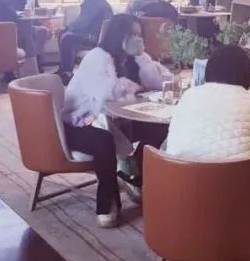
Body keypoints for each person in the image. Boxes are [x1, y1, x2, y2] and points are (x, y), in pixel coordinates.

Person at [61, 14, 172, 228]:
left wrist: (142, 58)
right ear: (120, 36)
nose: (139, 40)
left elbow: (160, 82)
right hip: (81, 122)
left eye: (140, 35)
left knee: (158, 127)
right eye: (134, 35)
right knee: (103, 140)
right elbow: (107, 95)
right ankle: (107, 201)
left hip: (115, 120)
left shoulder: (128, 58)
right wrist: (133, 88)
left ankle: (135, 176)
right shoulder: (97, 58)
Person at [166, 45, 250, 161]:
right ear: (247, 73)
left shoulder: (189, 95)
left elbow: (173, 139)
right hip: (238, 171)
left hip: (178, 170)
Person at [57, 0, 114, 80]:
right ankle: (64, 68)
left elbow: (83, 22)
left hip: (95, 37)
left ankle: (67, 72)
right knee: (65, 33)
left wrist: (67, 27)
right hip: (96, 33)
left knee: (66, 37)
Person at [6, 0, 51, 70]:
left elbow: (35, 9)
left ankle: (37, 60)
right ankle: (29, 66)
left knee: (42, 31)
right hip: (13, 26)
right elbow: (10, 11)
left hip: (28, 24)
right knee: (27, 33)